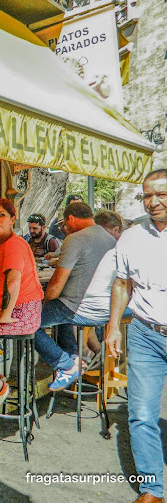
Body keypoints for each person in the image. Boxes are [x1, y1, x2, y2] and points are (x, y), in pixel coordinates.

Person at [107, 169, 167, 503]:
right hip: (145, 333)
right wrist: (114, 325)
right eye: (147, 195)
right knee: (141, 414)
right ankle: (152, 490)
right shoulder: (131, 237)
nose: (153, 202)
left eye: (161, 194)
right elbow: (122, 284)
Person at [34, 202, 116, 391]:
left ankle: (66, 365)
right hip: (104, 310)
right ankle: (73, 358)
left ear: (71, 218)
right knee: (59, 315)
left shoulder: (76, 239)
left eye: (65, 224)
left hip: (78, 307)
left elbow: (56, 283)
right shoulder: (109, 238)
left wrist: (46, 302)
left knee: (29, 323)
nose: (64, 229)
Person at [0, 198, 43, 412]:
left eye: (2, 215)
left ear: (13, 219)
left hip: (21, 314)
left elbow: (13, 281)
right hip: (15, 311)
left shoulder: (13, 244)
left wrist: (4, 314)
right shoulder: (0, 245)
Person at [73, 210, 125, 361]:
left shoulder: (114, 247)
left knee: (70, 312)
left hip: (113, 304)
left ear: (115, 230)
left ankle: (81, 356)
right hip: (115, 303)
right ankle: (96, 352)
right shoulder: (115, 245)